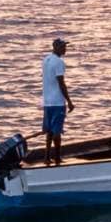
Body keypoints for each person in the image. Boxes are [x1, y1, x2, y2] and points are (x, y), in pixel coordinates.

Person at [40, 38, 74, 166]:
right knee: (57, 131)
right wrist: (69, 101)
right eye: (63, 47)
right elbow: (61, 83)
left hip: (47, 101)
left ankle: (47, 157)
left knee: (49, 131)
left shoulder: (46, 59)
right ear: (57, 48)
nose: (65, 49)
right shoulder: (59, 62)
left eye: (65, 46)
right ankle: (58, 158)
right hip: (57, 102)